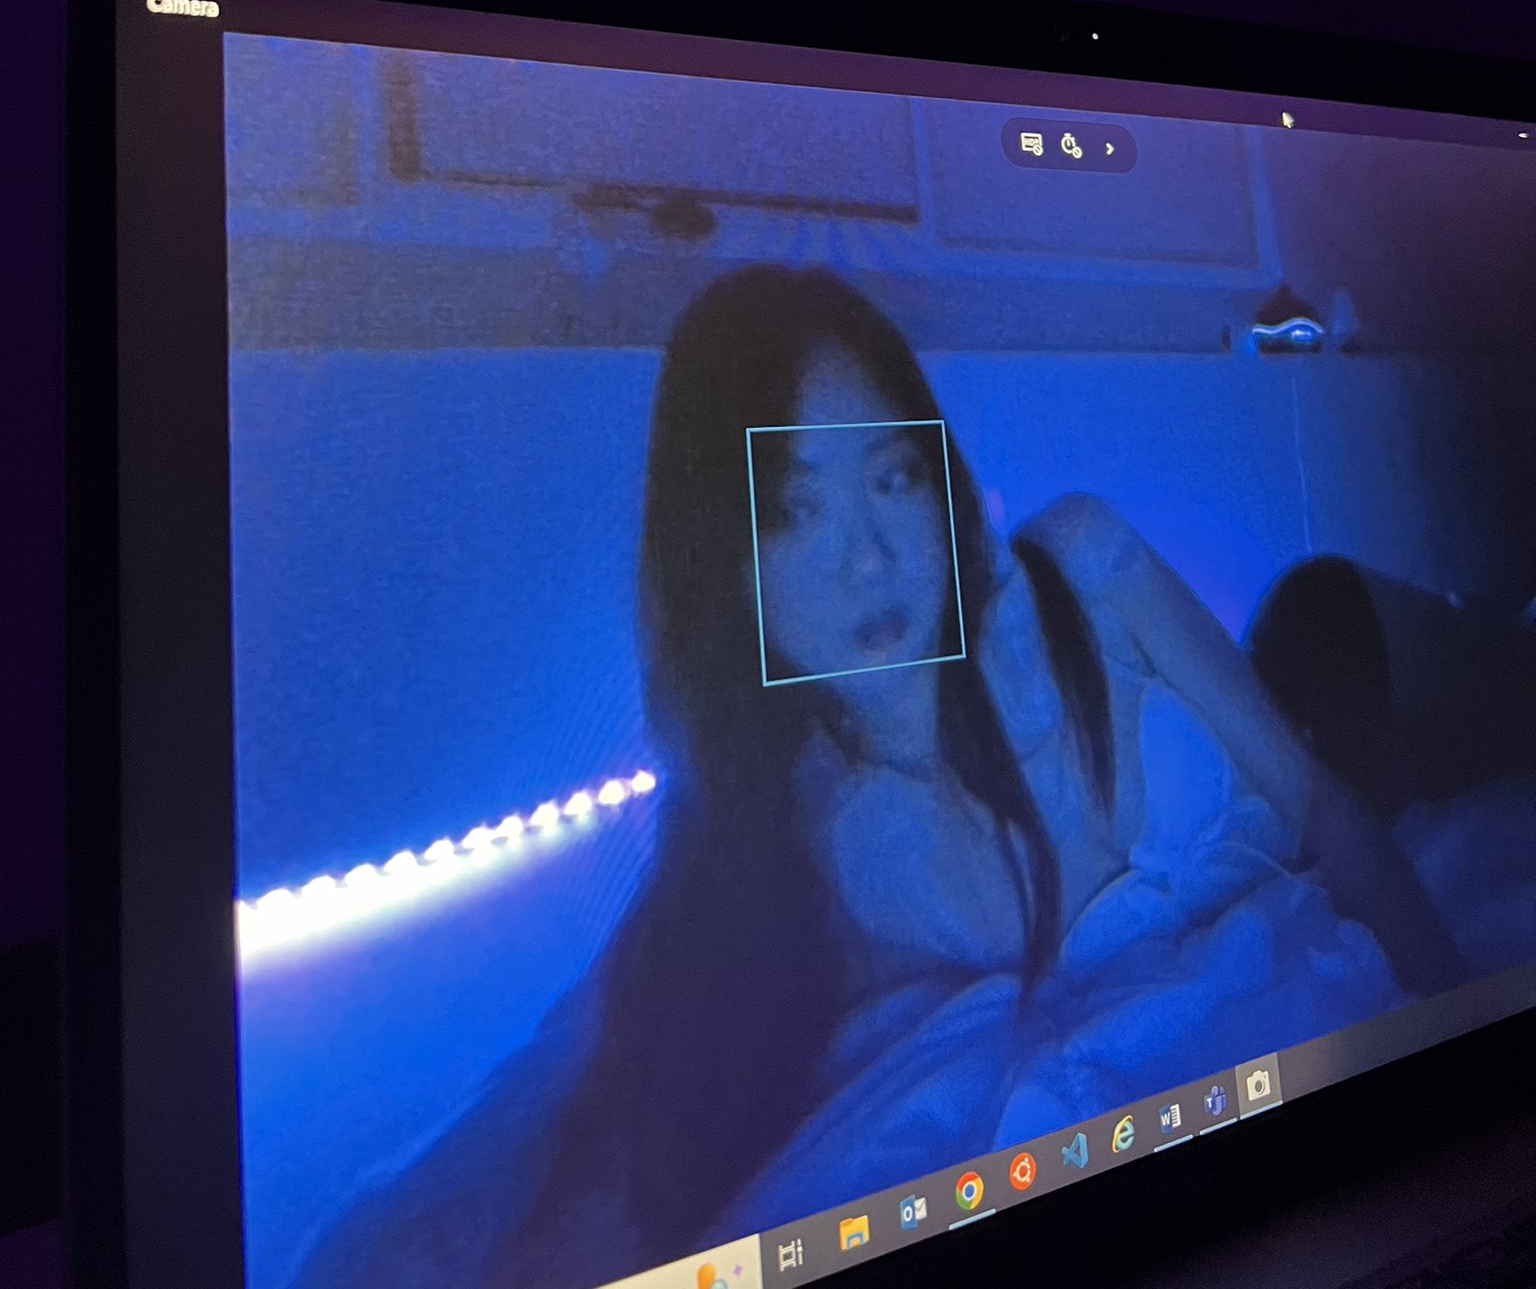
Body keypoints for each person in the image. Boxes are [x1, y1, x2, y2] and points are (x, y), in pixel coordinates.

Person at [291, 265, 1456, 1289]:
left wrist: (1460, 1032)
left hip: (1351, 676)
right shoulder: (812, 821)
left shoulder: (1080, 562)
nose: (868, 556)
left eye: (893, 478)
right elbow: (618, 1037)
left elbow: (1315, 793)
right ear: (727, 561)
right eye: (799, 507)